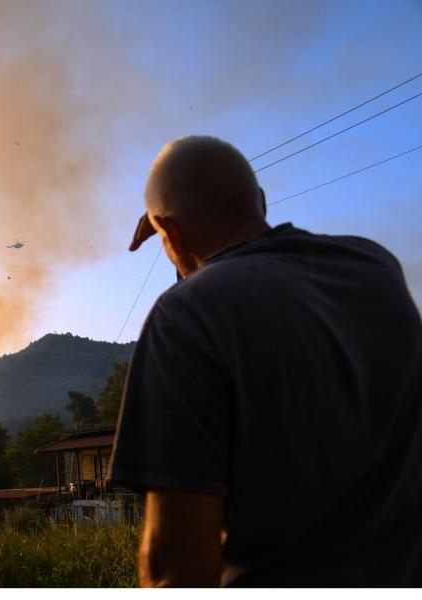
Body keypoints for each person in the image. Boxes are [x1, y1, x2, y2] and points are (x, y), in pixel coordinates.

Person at [110, 135, 422, 587]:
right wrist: (182, 238)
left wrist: (177, 239)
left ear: (169, 233)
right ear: (260, 201)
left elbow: (177, 568)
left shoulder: (184, 317)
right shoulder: (376, 267)